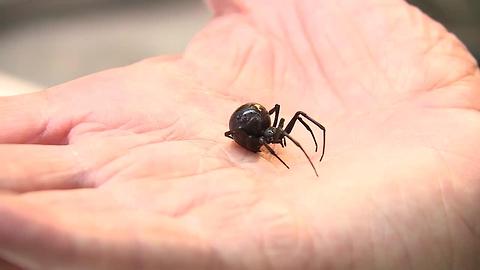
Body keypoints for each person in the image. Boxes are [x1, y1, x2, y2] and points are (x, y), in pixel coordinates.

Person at [0, 0, 479, 269]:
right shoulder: (258, 131)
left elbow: (294, 126)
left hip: (245, 122)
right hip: (241, 122)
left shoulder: (274, 129)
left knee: (291, 122)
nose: (279, 139)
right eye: (276, 140)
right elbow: (249, 133)